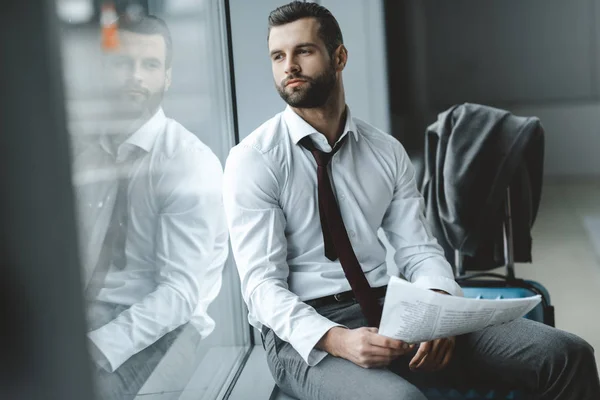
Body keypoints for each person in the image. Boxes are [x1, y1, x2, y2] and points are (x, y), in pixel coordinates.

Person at [222, 2, 600, 399]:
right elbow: (262, 287)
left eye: (303, 51)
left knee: (567, 353)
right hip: (306, 334)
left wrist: (437, 310)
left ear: (339, 56)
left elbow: (418, 250)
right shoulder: (254, 160)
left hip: (392, 309)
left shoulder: (385, 151)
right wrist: (337, 339)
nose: (289, 67)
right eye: (278, 56)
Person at [71, 15, 228, 399]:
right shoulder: (86, 157)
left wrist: (95, 345)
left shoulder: (188, 162)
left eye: (150, 65)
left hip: (168, 329)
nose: (135, 76)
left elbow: (178, 296)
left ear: (167, 77)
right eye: (123, 63)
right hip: (89, 311)